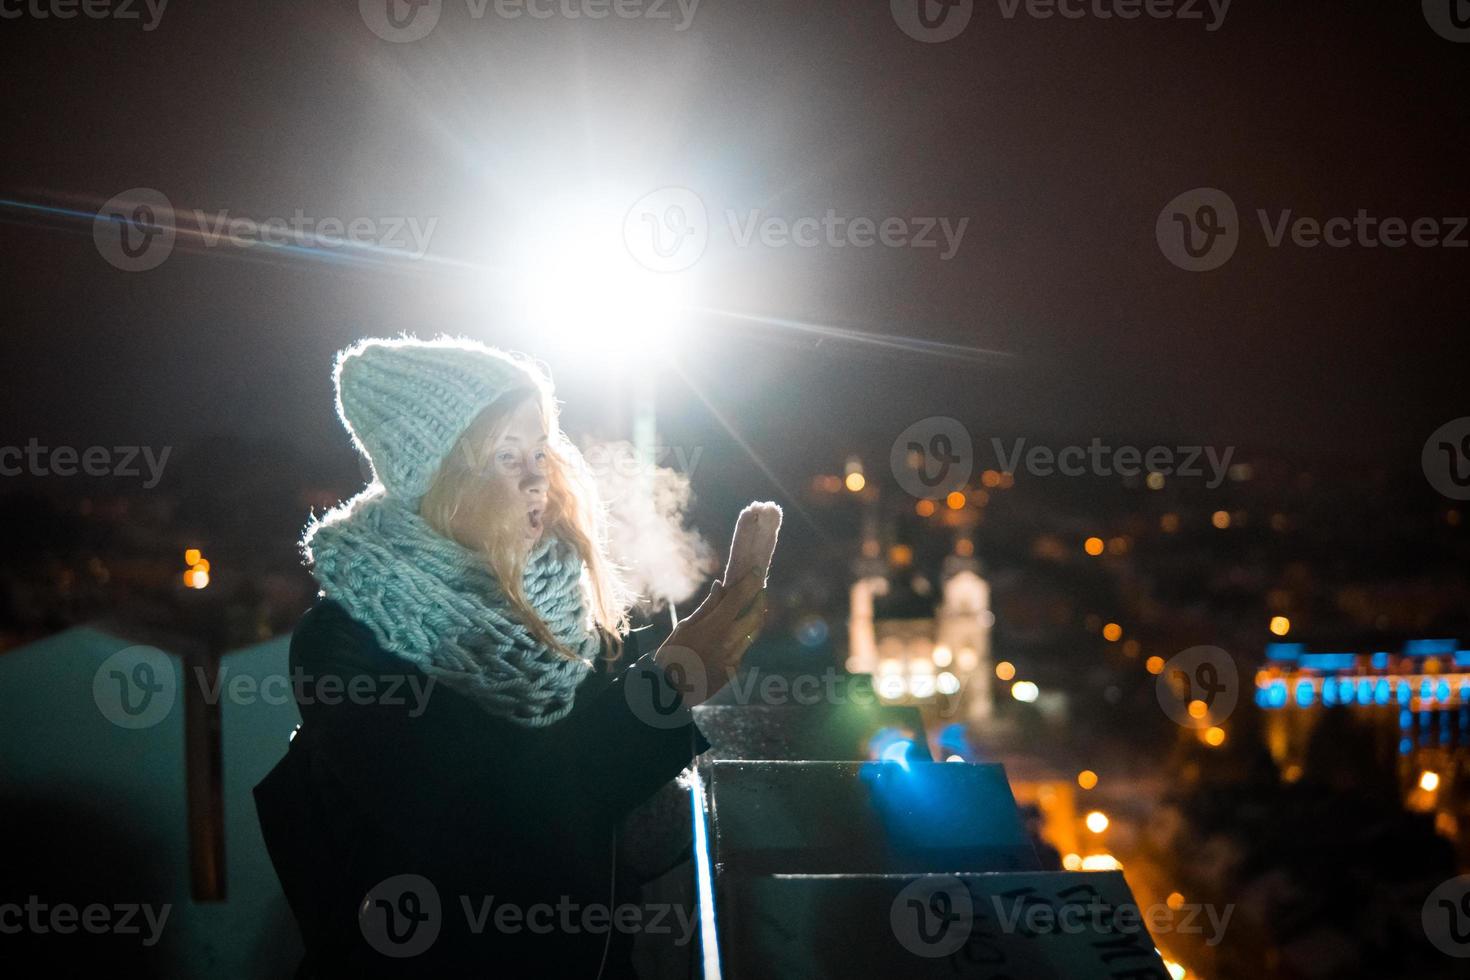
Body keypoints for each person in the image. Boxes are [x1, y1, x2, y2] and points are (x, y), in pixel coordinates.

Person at [254, 336, 767, 978]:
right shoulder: (344, 642)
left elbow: (621, 826)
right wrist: (663, 690)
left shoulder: (573, 610)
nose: (538, 479)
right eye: (505, 456)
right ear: (437, 479)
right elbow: (488, 829)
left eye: (540, 451)